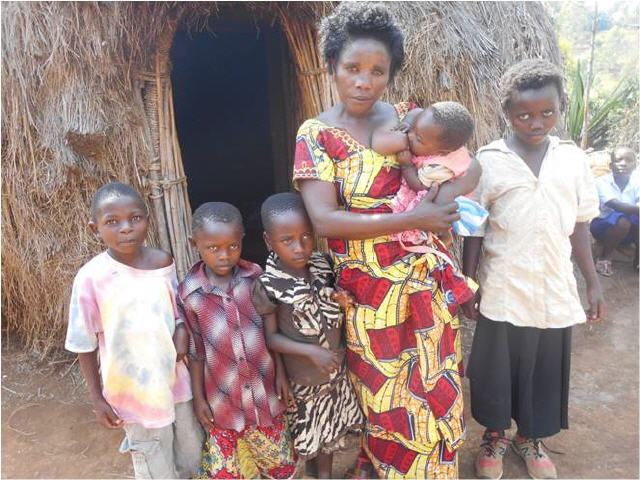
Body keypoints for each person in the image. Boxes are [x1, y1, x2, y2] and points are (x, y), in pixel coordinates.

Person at [293, 3, 479, 478]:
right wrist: (416, 216)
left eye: (377, 71)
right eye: (352, 68)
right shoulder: (317, 135)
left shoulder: (408, 120)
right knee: (386, 394)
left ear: (391, 73)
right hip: (369, 292)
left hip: (424, 280)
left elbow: (467, 164)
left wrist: (444, 202)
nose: (364, 81)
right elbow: (325, 221)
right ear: (332, 66)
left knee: (436, 384)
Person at [461, 59, 605, 480]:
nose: (536, 122)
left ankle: (530, 438)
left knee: (544, 367)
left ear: (561, 107)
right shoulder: (490, 160)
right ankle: (494, 436)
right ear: (507, 111)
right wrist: (468, 282)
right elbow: (474, 228)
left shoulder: (572, 159)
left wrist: (592, 283)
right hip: (503, 285)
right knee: (496, 368)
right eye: (524, 114)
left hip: (553, 285)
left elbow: (580, 226)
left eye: (547, 112)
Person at [65, 181, 204, 479]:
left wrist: (181, 328)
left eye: (135, 218)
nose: (126, 228)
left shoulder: (162, 262)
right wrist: (97, 398)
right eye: (112, 222)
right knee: (154, 462)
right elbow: (83, 343)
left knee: (191, 450)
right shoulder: (91, 278)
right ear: (94, 229)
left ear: (147, 220)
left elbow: (176, 307)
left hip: (176, 382)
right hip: (133, 394)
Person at [177, 202, 296, 479]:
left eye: (233, 246)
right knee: (225, 472)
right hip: (222, 402)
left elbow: (272, 334)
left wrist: (281, 372)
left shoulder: (256, 279)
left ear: (242, 239)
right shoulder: (190, 294)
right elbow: (196, 352)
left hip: (265, 396)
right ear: (194, 244)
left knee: (280, 465)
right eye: (213, 248)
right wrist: (199, 399)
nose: (224, 255)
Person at [251, 192, 365, 479]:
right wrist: (312, 351)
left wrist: (340, 300)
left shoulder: (323, 265)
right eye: (287, 240)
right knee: (310, 432)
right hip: (303, 378)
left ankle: (322, 475)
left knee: (330, 429)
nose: (299, 247)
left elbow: (329, 303)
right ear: (268, 241)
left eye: (306, 236)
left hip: (334, 372)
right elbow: (271, 338)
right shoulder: (269, 285)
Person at [372, 101, 488, 253]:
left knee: (440, 199)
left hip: (442, 196)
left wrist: (407, 165)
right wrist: (408, 124)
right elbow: (415, 113)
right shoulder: (426, 127)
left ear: (441, 151)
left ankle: (443, 235)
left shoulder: (437, 166)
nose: (410, 136)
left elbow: (420, 186)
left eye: (419, 139)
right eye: (413, 129)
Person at [590, 146, 639, 276]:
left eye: (629, 160)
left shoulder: (637, 182)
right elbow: (615, 205)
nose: (623, 163)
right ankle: (604, 258)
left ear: (635, 166)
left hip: (629, 232)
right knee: (623, 220)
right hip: (603, 227)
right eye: (619, 160)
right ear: (611, 166)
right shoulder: (601, 182)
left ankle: (638, 258)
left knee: (635, 219)